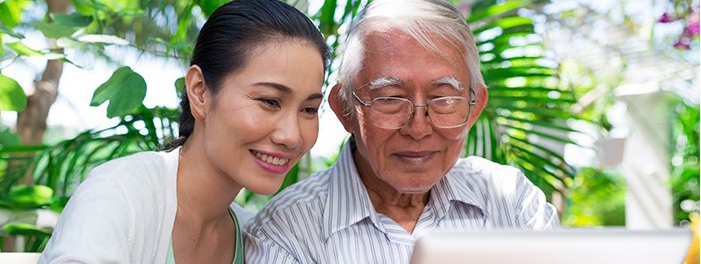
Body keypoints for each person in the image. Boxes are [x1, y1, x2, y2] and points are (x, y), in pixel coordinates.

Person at [244, 0, 560, 263]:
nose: (418, 128)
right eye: (390, 99)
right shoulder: (287, 234)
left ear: (474, 107)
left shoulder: (511, 202)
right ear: (345, 109)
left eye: (444, 99)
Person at [38, 0, 329, 263]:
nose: (291, 135)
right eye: (269, 101)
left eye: (309, 109)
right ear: (200, 92)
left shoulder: (255, 239)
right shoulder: (121, 195)